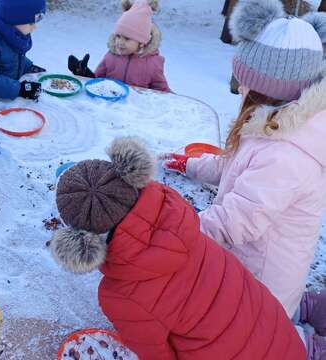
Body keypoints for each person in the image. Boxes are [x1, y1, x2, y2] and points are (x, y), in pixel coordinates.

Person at [162, 0, 326, 351]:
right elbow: (234, 165)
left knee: (230, 340)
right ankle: (300, 307)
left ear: (272, 88)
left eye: (247, 84)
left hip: (262, 281)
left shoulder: (287, 153)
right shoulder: (275, 118)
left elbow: (235, 222)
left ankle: (304, 344)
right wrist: (191, 165)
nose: (240, 91)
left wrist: (171, 233)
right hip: (252, 265)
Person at [50, 136, 308, 359]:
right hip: (286, 343)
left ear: (82, 241)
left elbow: (157, 356)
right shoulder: (186, 231)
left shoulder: (121, 296)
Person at [68, 0, 170, 92]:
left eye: (127, 38)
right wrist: (84, 73)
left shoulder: (152, 64)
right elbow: (97, 82)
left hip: (135, 110)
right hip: (108, 107)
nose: (120, 42)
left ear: (142, 42)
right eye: (118, 36)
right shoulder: (111, 57)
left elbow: (165, 95)